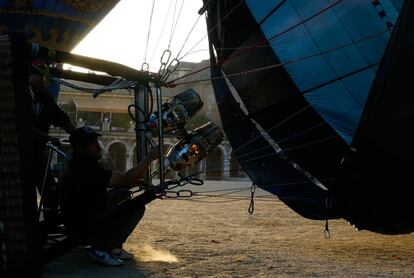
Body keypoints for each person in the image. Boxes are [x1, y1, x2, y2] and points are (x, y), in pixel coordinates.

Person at [62, 126, 160, 266]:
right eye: (91, 143)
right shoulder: (86, 167)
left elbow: (120, 184)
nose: (97, 146)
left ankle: (113, 247)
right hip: (84, 226)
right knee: (137, 208)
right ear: (80, 148)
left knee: (123, 194)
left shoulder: (78, 162)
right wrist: (149, 159)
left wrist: (139, 182)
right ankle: (101, 249)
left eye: (96, 141)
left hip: (80, 216)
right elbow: (125, 179)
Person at [30, 72, 76, 231]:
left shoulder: (45, 99)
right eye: (34, 87)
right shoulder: (20, 98)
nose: (37, 90)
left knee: (50, 189)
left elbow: (61, 118)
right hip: (20, 153)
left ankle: (51, 223)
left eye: (39, 86)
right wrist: (47, 138)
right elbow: (22, 125)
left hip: (38, 153)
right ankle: (28, 226)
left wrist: (77, 135)